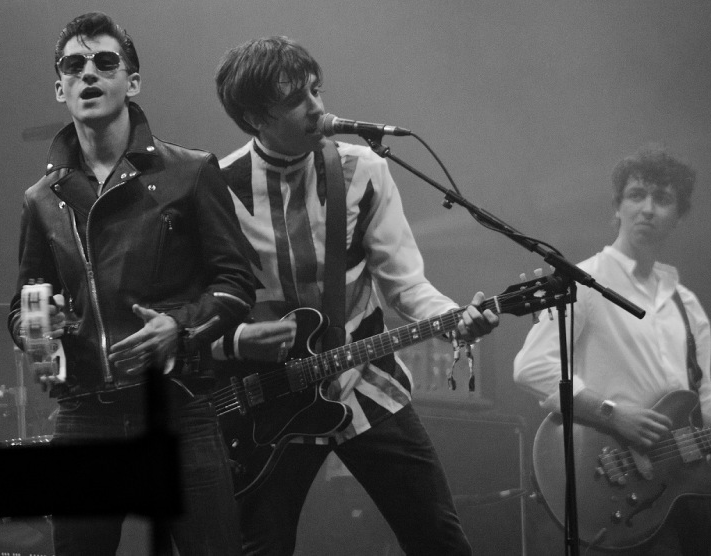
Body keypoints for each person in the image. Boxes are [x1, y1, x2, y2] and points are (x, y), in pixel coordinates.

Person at [212, 35, 499, 556]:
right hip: (272, 402)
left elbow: (405, 284)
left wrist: (453, 317)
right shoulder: (218, 189)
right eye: (296, 98)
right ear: (255, 118)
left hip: (366, 382)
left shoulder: (363, 170)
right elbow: (208, 304)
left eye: (316, 89)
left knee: (439, 540)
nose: (316, 107)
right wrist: (237, 340)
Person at [7, 12, 255, 556]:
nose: (88, 73)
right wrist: (35, 326)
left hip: (178, 409)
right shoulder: (41, 200)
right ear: (60, 88)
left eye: (104, 61)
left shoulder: (190, 172)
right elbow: (23, 304)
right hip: (85, 413)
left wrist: (179, 328)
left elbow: (237, 283)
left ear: (132, 81)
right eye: (73, 65)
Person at [513, 146, 711, 555]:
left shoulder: (686, 304)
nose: (647, 209)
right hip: (607, 482)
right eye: (636, 195)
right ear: (618, 207)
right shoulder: (585, 281)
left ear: (679, 216)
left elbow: (703, 399)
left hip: (677, 489)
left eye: (662, 199)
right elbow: (531, 367)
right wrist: (613, 413)